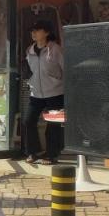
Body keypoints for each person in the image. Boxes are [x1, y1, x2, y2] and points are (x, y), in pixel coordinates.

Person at [22, 20, 64, 165]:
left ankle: (51, 155)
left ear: (46, 32)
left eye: (37, 30)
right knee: (28, 121)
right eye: (32, 31)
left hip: (55, 93)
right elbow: (30, 71)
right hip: (36, 94)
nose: (33, 33)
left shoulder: (56, 49)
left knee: (52, 124)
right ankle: (32, 153)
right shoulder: (29, 50)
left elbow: (65, 68)